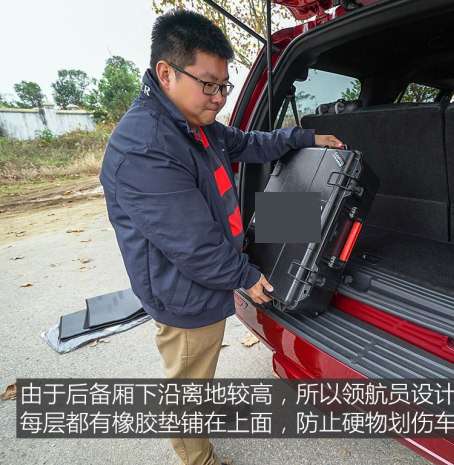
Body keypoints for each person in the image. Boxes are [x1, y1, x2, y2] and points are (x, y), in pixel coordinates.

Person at [99, 8, 343, 465]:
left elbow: (248, 143)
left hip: (205, 276)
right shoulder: (146, 147)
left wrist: (302, 138)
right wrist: (244, 275)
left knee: (196, 376)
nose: (218, 98)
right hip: (184, 292)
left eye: (224, 86)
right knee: (188, 383)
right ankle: (198, 458)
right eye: (209, 85)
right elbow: (192, 243)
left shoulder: (194, 124)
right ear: (166, 73)